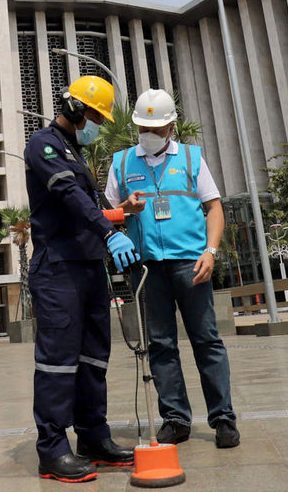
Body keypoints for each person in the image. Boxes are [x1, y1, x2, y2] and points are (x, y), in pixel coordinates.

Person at [105, 88, 240, 449]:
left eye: (157, 128)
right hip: (146, 269)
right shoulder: (121, 163)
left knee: (206, 339)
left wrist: (211, 252)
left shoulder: (193, 159)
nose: (149, 134)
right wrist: (123, 211)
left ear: (171, 127)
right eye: (143, 127)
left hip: (191, 263)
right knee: (161, 344)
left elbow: (214, 208)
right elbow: (107, 216)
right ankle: (176, 419)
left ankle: (223, 418)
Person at [24, 75, 139, 483]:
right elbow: (69, 197)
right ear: (74, 109)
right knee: (57, 363)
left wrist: (119, 214)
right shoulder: (44, 145)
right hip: (58, 270)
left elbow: (92, 206)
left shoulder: (74, 152)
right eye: (94, 115)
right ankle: (52, 450)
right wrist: (109, 233)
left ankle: (93, 436)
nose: (98, 124)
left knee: (94, 358)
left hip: (89, 268)